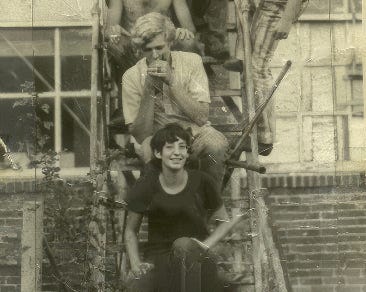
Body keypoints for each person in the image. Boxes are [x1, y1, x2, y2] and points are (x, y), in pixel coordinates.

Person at [122, 12, 229, 192]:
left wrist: (172, 82)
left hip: (193, 132)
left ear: (170, 42)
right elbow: (140, 134)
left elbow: (202, 117)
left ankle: (208, 207)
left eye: (159, 47)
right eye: (148, 49)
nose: (154, 55)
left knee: (216, 143)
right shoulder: (131, 76)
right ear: (141, 49)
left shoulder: (192, 62)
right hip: (156, 135)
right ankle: (163, 210)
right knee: (149, 151)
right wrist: (149, 88)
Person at [124, 123, 230, 291]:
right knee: (136, 287)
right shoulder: (147, 185)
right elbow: (131, 230)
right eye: (170, 147)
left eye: (182, 147)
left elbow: (224, 221)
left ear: (188, 153)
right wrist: (136, 264)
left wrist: (206, 245)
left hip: (196, 260)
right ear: (158, 153)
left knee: (183, 245)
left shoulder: (203, 181)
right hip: (159, 261)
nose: (177, 153)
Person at [224, 0, 308, 155]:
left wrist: (287, 19)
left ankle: (265, 139)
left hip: (278, 7)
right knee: (250, 68)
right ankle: (242, 58)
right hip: (265, 6)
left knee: (258, 69)